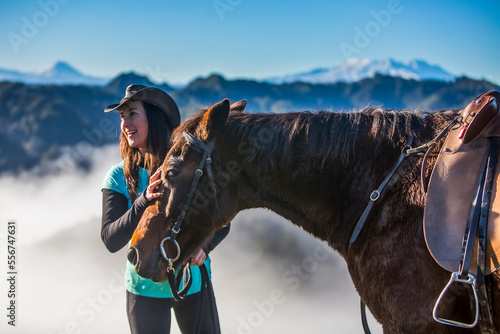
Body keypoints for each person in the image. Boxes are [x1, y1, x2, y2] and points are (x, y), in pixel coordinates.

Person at [100, 84, 229, 334]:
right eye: (122, 116)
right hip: (143, 289)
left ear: (155, 117)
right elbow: (111, 239)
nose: (125, 123)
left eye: (132, 113)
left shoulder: (186, 168)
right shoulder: (118, 176)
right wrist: (143, 199)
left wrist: (205, 246)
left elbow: (223, 220)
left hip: (192, 282)